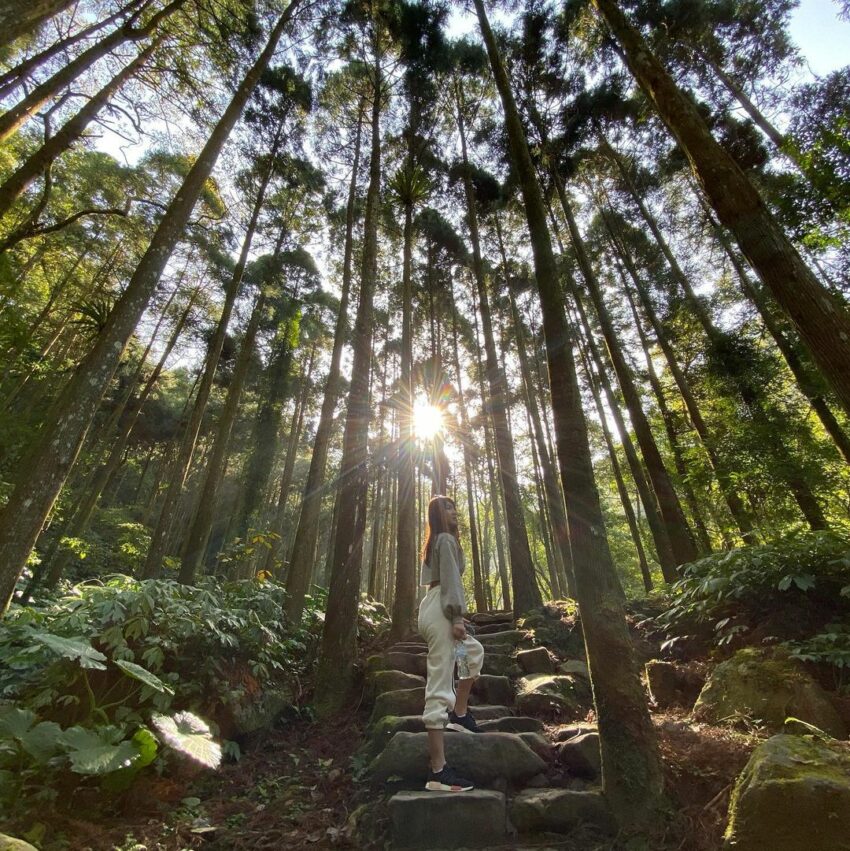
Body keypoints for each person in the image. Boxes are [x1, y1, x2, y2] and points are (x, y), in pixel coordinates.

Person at [417, 495, 485, 792]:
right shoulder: (443, 538)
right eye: (447, 507)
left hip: (437, 607)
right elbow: (451, 582)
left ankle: (459, 714)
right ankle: (438, 772)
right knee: (440, 682)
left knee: (471, 652)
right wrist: (456, 616)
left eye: (455, 506)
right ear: (436, 514)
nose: (454, 511)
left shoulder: (443, 540)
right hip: (441, 609)